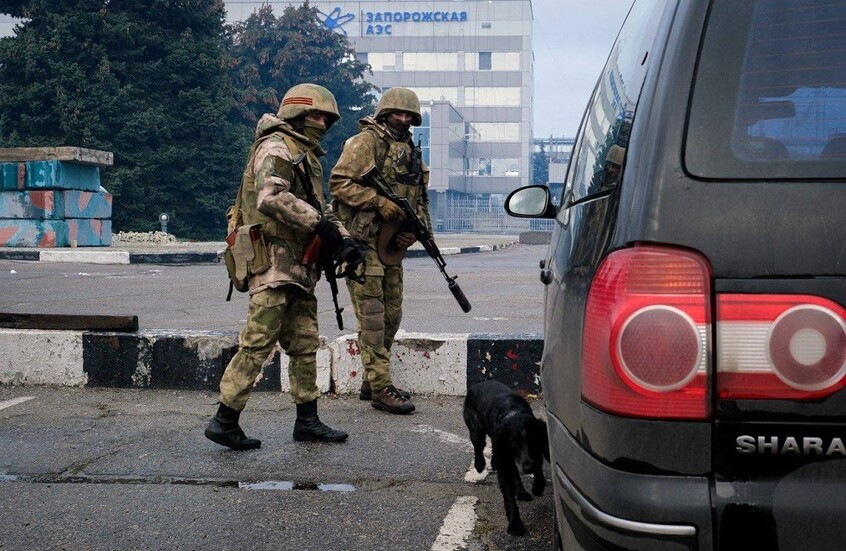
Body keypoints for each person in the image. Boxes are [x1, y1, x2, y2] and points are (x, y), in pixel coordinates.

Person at [205, 83, 361, 449]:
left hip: (299, 266)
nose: (322, 123)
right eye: (316, 115)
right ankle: (224, 419)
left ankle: (307, 420)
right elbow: (271, 197)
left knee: (304, 343)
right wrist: (320, 225)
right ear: (297, 113)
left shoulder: (305, 155)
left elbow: (320, 209)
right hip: (273, 263)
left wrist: (344, 240)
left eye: (326, 118)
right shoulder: (276, 147)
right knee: (258, 340)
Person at [329, 87, 432, 415]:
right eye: (398, 113)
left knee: (392, 314)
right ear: (385, 114)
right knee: (372, 317)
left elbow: (420, 198)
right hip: (361, 243)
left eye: (409, 115)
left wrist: (415, 232)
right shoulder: (365, 142)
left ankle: (372, 379)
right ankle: (381, 387)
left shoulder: (411, 151)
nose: (404, 119)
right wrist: (377, 201)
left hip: (390, 245)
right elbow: (339, 183)